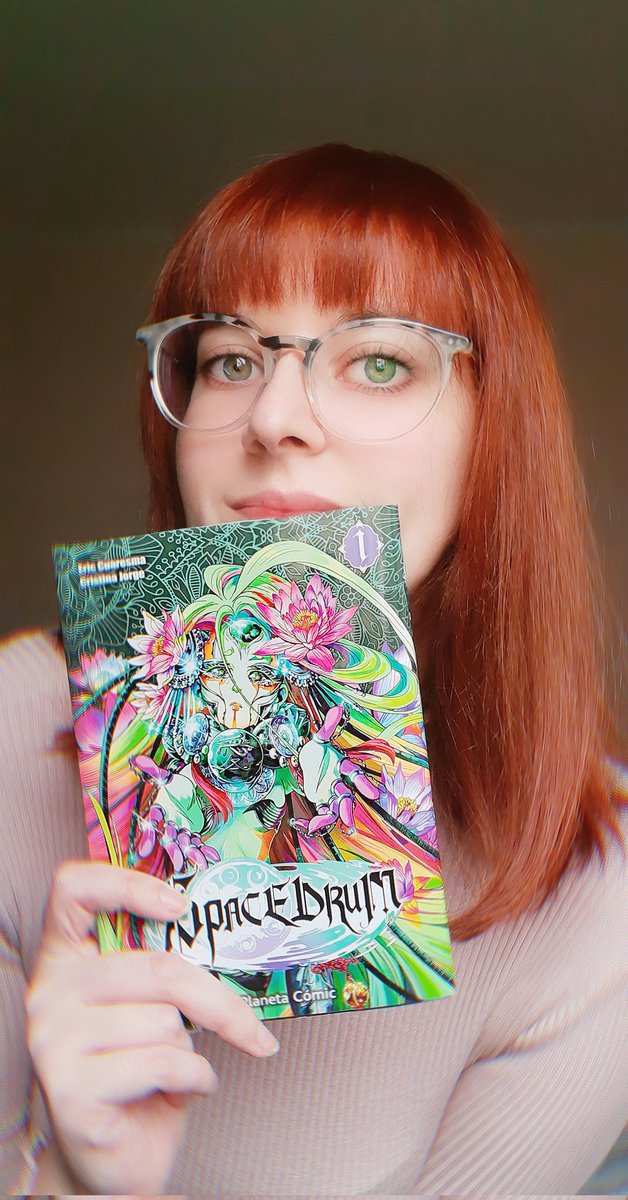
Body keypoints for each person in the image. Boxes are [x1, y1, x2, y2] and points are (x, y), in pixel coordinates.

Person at [1, 143, 625, 1197]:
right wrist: (72, 1179)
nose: (275, 417)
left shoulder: (600, 899)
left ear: (494, 433)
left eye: (378, 361)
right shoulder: (15, 735)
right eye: (230, 358)